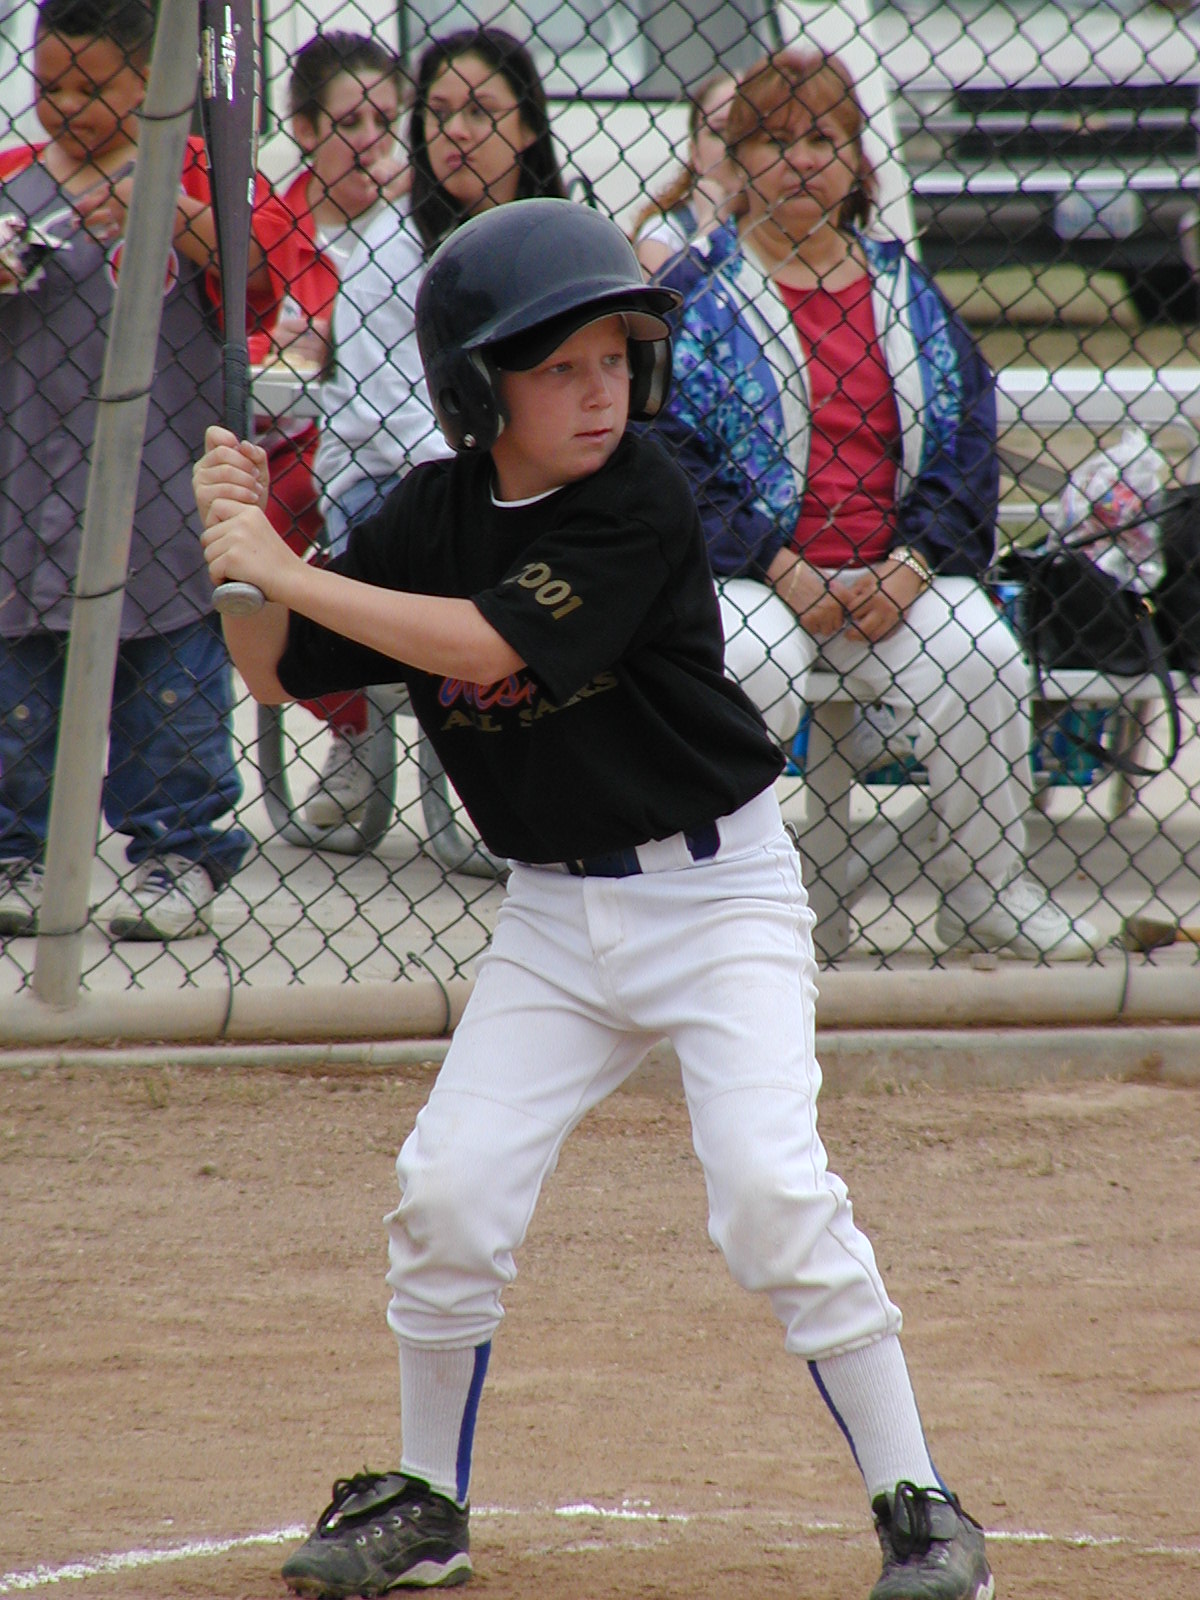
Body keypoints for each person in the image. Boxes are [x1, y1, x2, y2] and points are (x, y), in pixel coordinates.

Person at [193, 198, 995, 1600]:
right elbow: (273, 669)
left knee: (770, 1194)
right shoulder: (427, 517)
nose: (600, 388)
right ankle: (427, 1499)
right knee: (448, 1193)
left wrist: (285, 567)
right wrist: (236, 549)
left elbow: (483, 644)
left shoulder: (641, 498)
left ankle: (923, 1508)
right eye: (557, 366)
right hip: (554, 920)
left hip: (719, 895)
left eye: (616, 356)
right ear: (476, 390)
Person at [654, 46, 1102, 961]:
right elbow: (667, 456)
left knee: (981, 656)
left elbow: (967, 441)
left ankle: (986, 898)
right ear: (735, 164)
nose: (801, 159)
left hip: (891, 579)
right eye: (774, 140)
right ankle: (714, 911)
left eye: (824, 138)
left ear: (860, 162)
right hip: (750, 576)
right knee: (750, 665)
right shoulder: (695, 294)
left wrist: (913, 563)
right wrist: (777, 565)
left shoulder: (905, 291)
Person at [0, 0, 267, 941]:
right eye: (49, 86)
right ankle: (15, 853)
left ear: (155, 83)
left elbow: (264, 272)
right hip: (27, 499)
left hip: (161, 508)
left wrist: (173, 215)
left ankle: (176, 853)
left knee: (172, 697)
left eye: (94, 86)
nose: (68, 105)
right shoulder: (14, 182)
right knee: (18, 700)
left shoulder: (200, 177)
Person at [303, 26, 568, 827]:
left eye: (480, 111)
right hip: (396, 487)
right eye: (439, 112)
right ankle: (497, 783)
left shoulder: (561, 239)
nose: (455, 131)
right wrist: (515, 477)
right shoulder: (388, 251)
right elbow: (396, 419)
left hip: (529, 478)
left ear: (528, 125)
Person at [261, 30, 408, 828]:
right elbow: (234, 333)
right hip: (286, 437)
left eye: (387, 122)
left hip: (388, 435)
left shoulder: (413, 223)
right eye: (351, 123)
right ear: (307, 130)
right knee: (269, 516)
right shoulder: (270, 226)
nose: (373, 141)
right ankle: (350, 723)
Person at [630, 70, 741, 277]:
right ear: (695, 153)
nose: (734, 143)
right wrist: (710, 225)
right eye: (719, 131)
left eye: (747, 130)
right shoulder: (665, 235)